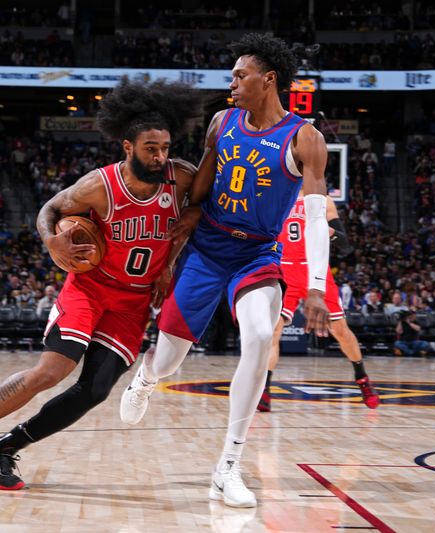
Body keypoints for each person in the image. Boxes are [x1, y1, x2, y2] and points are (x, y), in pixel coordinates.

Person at [0, 78, 202, 491]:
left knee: (95, 391)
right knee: (52, 371)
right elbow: (50, 209)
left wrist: (168, 265)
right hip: (90, 287)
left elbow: (197, 214)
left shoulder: (181, 177)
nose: (160, 156)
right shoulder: (99, 186)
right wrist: (50, 240)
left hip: (134, 301)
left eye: (164, 148)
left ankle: (3, 448)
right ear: (127, 147)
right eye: (150, 148)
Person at [119, 33, 332, 508]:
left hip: (257, 254)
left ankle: (227, 468)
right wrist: (176, 239)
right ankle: (147, 378)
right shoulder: (222, 121)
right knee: (170, 358)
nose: (231, 82)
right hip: (207, 248)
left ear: (268, 79)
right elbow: (202, 186)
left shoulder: (305, 138)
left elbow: (316, 215)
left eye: (240, 75)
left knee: (259, 336)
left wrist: (315, 287)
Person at [256, 191, 379, 412]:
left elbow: (345, 244)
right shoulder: (277, 194)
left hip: (315, 269)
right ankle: (264, 390)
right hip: (285, 269)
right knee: (273, 329)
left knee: (340, 330)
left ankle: (362, 378)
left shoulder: (324, 200)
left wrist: (328, 232)